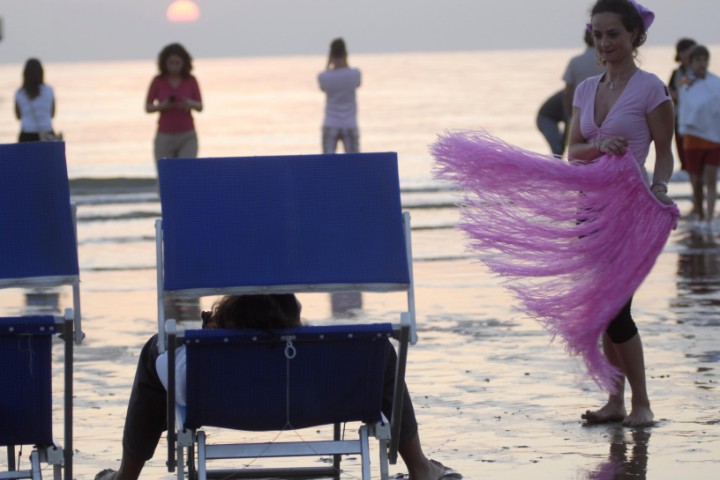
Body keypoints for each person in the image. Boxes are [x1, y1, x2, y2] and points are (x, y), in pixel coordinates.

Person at [95, 294, 461, 480]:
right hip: (311, 403)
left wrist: (199, 336)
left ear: (223, 322)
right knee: (384, 354)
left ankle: (126, 477)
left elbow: (170, 377)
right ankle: (420, 468)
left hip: (222, 404)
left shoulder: (192, 366)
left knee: (155, 349)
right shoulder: (345, 357)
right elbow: (376, 362)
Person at [567, 0, 674, 427]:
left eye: (614, 34)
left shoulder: (651, 88)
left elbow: (666, 154)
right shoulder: (585, 89)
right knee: (603, 312)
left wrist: (660, 189)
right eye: (598, 34)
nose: (605, 42)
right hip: (588, 214)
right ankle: (614, 401)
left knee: (618, 310)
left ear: (634, 36)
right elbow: (572, 151)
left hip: (629, 214)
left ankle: (641, 403)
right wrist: (598, 147)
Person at [678, 45, 720, 229]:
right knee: (696, 180)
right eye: (698, 60)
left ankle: (709, 218)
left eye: (705, 60)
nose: (702, 63)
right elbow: (685, 107)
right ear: (691, 62)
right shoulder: (686, 82)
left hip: (714, 137)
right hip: (693, 137)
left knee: (710, 179)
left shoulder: (716, 82)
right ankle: (700, 213)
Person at [145, 43, 203, 165]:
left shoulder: (191, 80)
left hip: (187, 135)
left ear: (184, 63)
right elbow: (148, 107)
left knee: (186, 172)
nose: (174, 66)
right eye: (171, 63)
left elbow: (200, 106)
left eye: (177, 63)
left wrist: (189, 103)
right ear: (164, 63)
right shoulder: (158, 81)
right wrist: (162, 106)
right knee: (166, 177)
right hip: (164, 135)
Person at [318, 38, 361, 154]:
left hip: (330, 123)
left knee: (328, 164)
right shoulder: (355, 74)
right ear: (345, 54)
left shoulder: (324, 76)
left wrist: (328, 64)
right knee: (354, 163)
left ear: (331, 55)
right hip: (350, 123)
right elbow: (358, 84)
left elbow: (322, 88)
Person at [562, 29, 606, 122]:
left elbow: (567, 93)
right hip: (605, 114)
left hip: (580, 114)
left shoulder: (575, 62)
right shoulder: (609, 61)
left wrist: (571, 117)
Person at [668, 38, 697, 173]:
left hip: (696, 118)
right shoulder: (676, 73)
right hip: (679, 117)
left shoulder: (697, 73)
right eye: (686, 51)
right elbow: (670, 92)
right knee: (682, 152)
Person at [14, 58, 57, 142]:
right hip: (47, 134)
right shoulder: (49, 90)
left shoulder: (19, 93)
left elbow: (18, 116)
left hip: (26, 135)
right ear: (41, 73)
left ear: (25, 74)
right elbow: (52, 114)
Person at [536, 89, 568, 156]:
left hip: (554, 118)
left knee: (561, 148)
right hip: (545, 118)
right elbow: (568, 119)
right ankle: (555, 165)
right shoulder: (569, 95)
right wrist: (565, 140)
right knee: (557, 150)